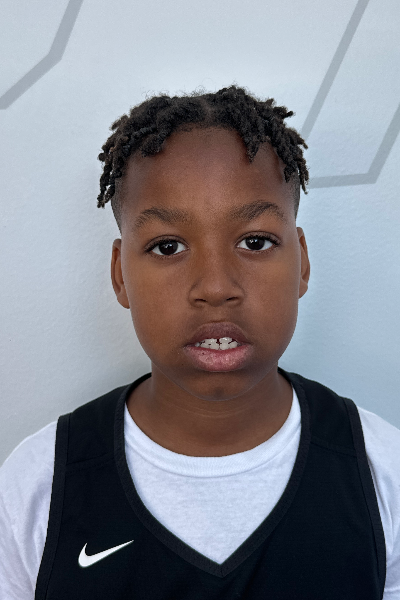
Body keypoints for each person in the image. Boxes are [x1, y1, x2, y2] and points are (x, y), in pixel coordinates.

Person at [1, 85, 399, 599]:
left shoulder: (383, 473)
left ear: (301, 261)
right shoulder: (38, 486)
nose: (215, 287)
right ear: (120, 275)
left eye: (255, 241)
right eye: (168, 247)